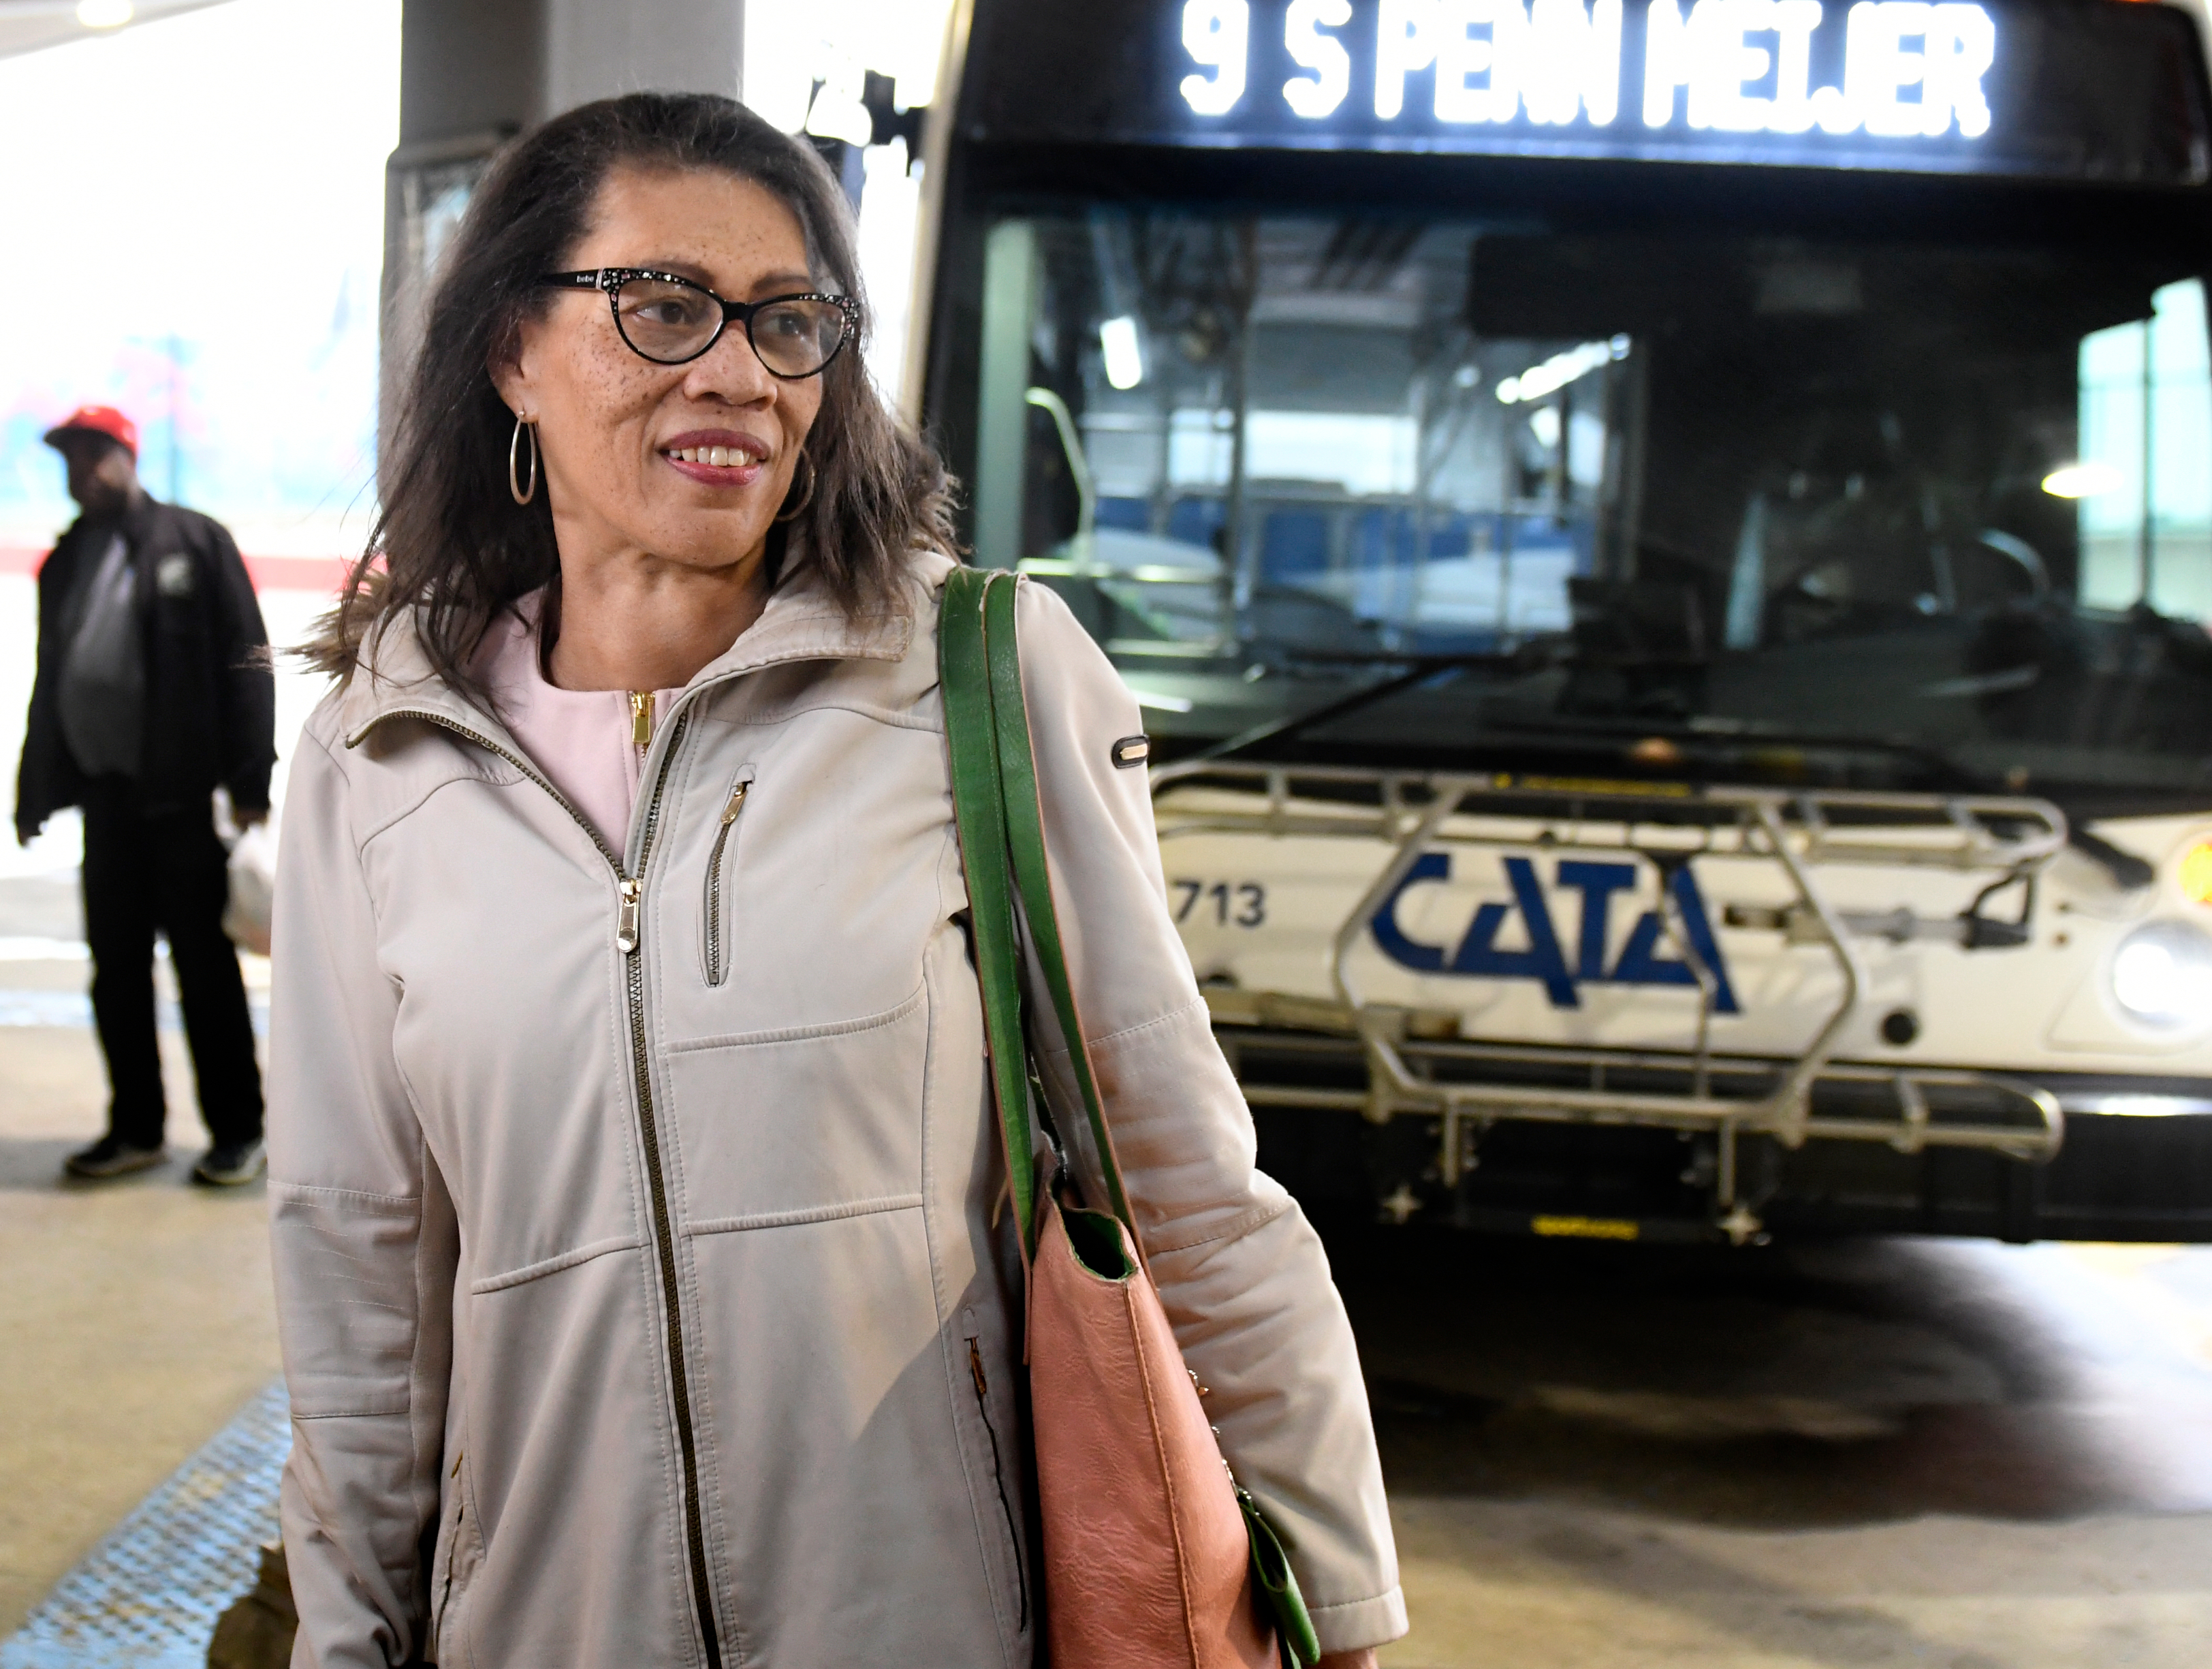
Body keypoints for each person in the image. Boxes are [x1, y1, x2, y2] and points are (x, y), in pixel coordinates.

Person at [269, 95, 1404, 1667]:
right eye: (662, 307)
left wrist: (1326, 1604)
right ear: (512, 351)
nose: (734, 369)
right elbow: (360, 1278)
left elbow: (1186, 1186)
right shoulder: (375, 757)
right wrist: (349, 1637)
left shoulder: (978, 677)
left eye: (787, 322)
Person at [17, 403, 275, 1188]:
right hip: (107, 803)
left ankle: (239, 1129)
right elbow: (49, 679)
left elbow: (250, 661)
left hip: (183, 804)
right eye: (69, 459)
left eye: (96, 455)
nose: (82, 472)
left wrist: (248, 782)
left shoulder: (195, 542)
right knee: (117, 970)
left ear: (129, 457)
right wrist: (34, 786)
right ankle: (135, 1127)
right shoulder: (64, 562)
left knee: (205, 969)